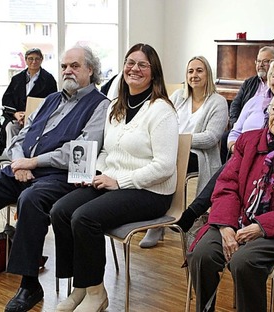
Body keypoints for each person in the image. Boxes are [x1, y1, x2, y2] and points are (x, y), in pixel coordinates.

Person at [0, 45, 108, 312]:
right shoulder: (50, 100)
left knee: (30, 199)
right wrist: (17, 161)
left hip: (57, 176)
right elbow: (21, 135)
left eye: (75, 66)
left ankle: (29, 283)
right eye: (63, 66)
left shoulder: (100, 105)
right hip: (21, 167)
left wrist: (34, 162)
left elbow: (81, 150)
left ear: (90, 70)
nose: (67, 71)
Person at [50, 43, 178, 312]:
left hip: (151, 191)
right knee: (61, 210)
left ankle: (96, 293)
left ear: (154, 72)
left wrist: (120, 181)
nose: (134, 69)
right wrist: (95, 173)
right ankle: (80, 288)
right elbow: (107, 151)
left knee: (85, 217)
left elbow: (165, 166)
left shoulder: (162, 111)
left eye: (143, 64)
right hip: (114, 182)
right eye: (130, 62)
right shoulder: (115, 107)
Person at [188, 87, 274, 312]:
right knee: (202, 254)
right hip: (237, 220)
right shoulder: (248, 141)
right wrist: (225, 226)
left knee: (243, 262)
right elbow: (227, 186)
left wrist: (261, 227)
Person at [175, 56, 274, 235]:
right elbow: (235, 130)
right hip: (242, 154)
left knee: (228, 169)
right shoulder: (255, 101)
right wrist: (234, 146)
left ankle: (195, 213)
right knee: (231, 167)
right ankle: (208, 219)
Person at [138, 55, 228, 248]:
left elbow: (211, 137)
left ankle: (169, 218)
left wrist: (177, 141)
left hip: (199, 155)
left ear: (208, 74)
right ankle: (157, 219)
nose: (194, 75)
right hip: (173, 150)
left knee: (168, 163)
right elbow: (161, 122)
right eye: (190, 71)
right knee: (152, 161)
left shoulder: (218, 102)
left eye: (199, 70)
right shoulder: (178, 97)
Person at [222, 46, 274, 161]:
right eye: (258, 61)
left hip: (266, 134)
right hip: (244, 127)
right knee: (225, 138)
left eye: (265, 61)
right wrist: (236, 124)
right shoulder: (250, 82)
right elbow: (235, 105)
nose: (261, 65)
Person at [0, 48, 58, 149]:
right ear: (26, 60)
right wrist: (16, 114)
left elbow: (53, 101)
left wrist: (31, 115)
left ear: (41, 60)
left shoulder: (49, 79)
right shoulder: (17, 79)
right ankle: (12, 157)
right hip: (18, 117)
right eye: (30, 59)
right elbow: (7, 99)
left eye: (37, 59)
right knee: (10, 127)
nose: (34, 62)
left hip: (39, 118)